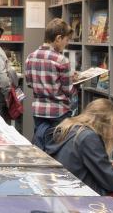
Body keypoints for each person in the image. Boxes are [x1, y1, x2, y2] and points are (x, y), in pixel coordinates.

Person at [44, 99, 113, 213]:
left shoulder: (70, 127)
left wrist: (106, 165)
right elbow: (111, 182)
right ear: (105, 124)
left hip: (63, 191)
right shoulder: (89, 137)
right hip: (80, 197)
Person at [25, 18, 76, 149]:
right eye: (66, 40)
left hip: (39, 110)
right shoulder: (61, 60)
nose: (67, 43)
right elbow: (68, 90)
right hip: (59, 112)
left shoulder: (30, 56)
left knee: (40, 144)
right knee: (58, 148)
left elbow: (29, 83)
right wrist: (73, 81)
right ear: (58, 38)